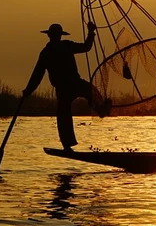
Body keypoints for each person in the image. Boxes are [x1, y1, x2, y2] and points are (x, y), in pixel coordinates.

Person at [24, 22, 112, 151]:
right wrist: (28, 90)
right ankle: (67, 145)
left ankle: (101, 110)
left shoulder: (61, 47)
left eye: (57, 35)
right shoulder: (49, 52)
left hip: (73, 83)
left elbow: (86, 47)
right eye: (55, 35)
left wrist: (91, 33)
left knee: (90, 92)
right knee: (64, 114)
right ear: (51, 36)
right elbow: (37, 74)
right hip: (64, 87)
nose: (56, 37)